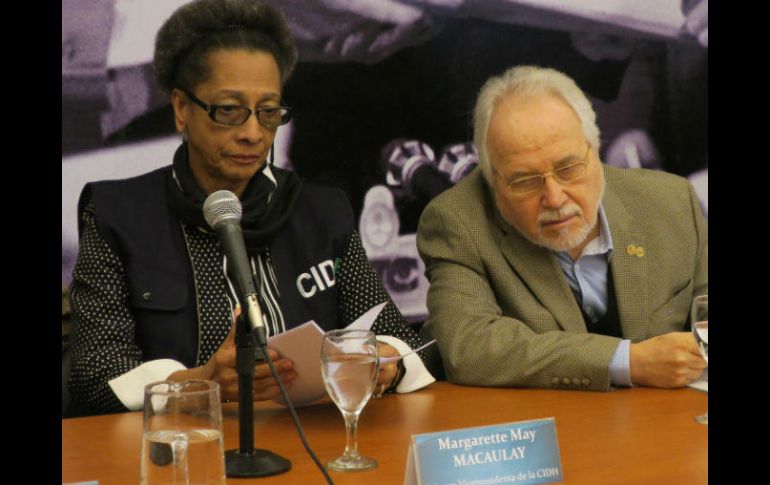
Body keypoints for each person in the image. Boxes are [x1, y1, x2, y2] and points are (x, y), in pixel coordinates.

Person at [68, 0, 435, 415]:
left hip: (312, 448)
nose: (253, 133)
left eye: (268, 112)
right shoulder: (118, 215)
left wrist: (383, 362)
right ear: (181, 109)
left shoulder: (319, 210)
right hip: (182, 455)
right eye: (229, 111)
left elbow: (402, 341)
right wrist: (200, 381)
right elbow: (94, 379)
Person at [416, 65, 707, 391]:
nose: (554, 198)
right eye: (524, 181)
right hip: (544, 431)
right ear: (491, 179)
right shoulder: (456, 221)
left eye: (568, 168)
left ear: (595, 150)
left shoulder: (670, 201)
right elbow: (467, 345)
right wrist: (627, 361)